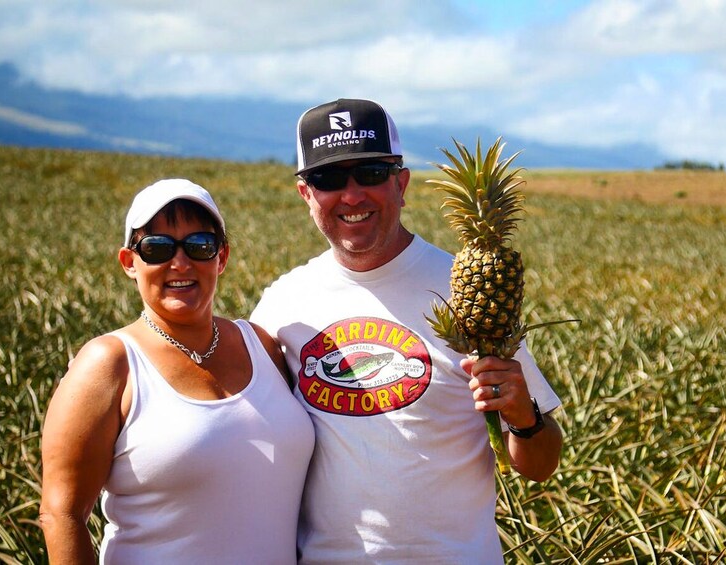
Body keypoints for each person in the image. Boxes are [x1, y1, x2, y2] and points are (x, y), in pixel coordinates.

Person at [250, 98, 564, 563]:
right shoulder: (283, 304)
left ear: (401, 183)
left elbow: (542, 465)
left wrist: (524, 416)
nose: (352, 195)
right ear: (305, 194)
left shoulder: (468, 288)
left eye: (371, 174)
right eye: (330, 179)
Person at [39, 179, 314, 564]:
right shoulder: (109, 363)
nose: (180, 263)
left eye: (200, 245)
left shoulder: (262, 346)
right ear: (129, 263)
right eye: (157, 248)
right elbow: (61, 514)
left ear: (222, 257)